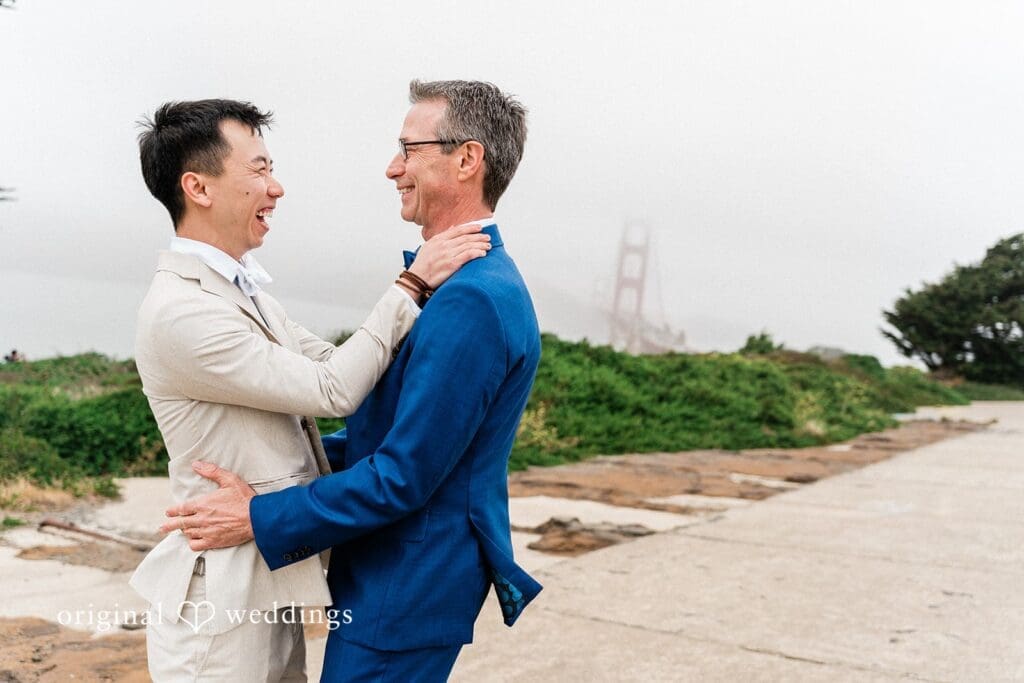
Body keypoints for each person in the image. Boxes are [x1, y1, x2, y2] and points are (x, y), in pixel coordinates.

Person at [164, 80, 541, 681]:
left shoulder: (473, 298)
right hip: (390, 577)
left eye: (409, 150)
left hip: (406, 589)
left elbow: (402, 475)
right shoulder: (458, 282)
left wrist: (260, 516)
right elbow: (388, 433)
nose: (393, 168)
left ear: (467, 159)